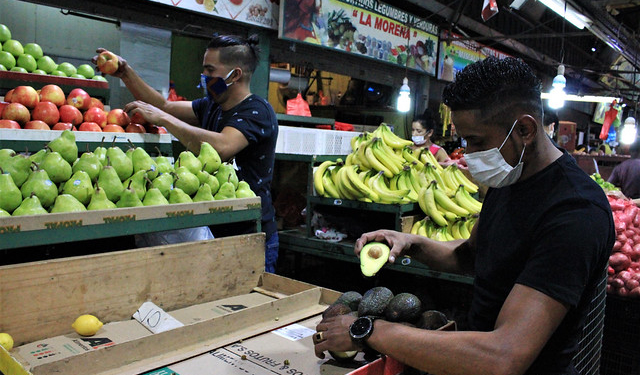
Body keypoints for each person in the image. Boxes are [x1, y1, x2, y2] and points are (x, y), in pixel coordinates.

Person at [313, 57, 614, 375]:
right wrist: (411, 242)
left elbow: (504, 356)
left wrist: (370, 331)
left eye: (477, 141)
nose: (468, 155)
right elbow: (471, 255)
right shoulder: (510, 177)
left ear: (524, 129)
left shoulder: (575, 214)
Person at [93, 34, 279, 273]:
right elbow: (164, 106)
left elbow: (221, 148)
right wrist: (126, 72)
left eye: (210, 70)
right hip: (215, 227)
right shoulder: (212, 105)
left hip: (251, 234)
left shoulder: (257, 111)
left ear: (236, 75)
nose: (204, 77)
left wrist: (165, 120)